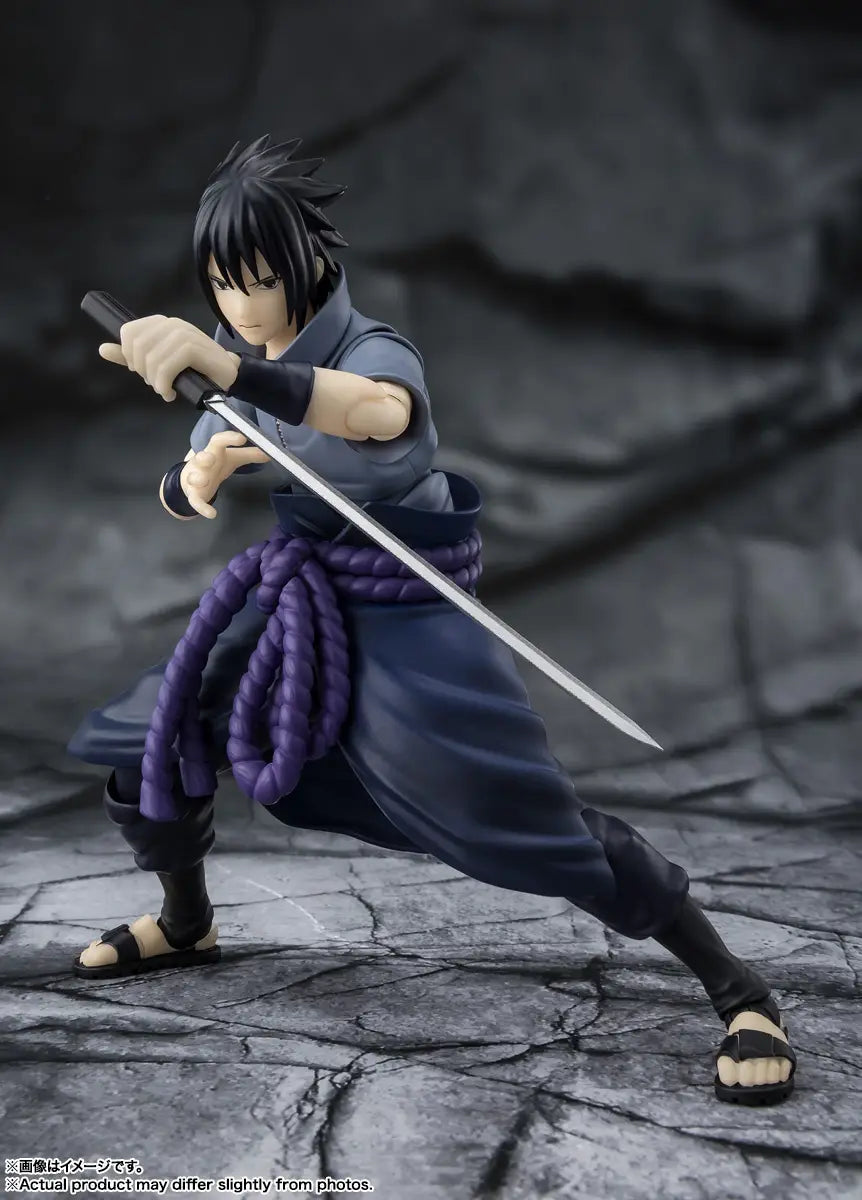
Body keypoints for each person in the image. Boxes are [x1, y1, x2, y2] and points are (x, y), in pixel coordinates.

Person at [67, 136, 796, 1106]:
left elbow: (375, 415)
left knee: (520, 818)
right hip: (297, 599)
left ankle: (742, 993)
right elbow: (188, 471)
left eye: (258, 280)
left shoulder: (370, 350)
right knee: (156, 740)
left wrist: (235, 383)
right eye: (221, 284)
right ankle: (186, 920)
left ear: (305, 265)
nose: (240, 307)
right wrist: (193, 476)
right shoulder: (237, 361)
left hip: (404, 611)